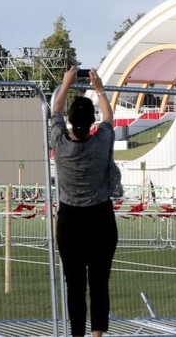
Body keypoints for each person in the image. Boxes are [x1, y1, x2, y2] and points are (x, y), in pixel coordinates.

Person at [50, 66, 118, 337]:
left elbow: (55, 109)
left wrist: (66, 84)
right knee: (99, 283)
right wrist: (99, 89)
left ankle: (77, 333)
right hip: (100, 218)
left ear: (70, 120)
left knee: (74, 284)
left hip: (70, 221)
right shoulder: (102, 141)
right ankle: (98, 334)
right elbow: (110, 117)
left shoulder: (60, 143)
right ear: (92, 122)